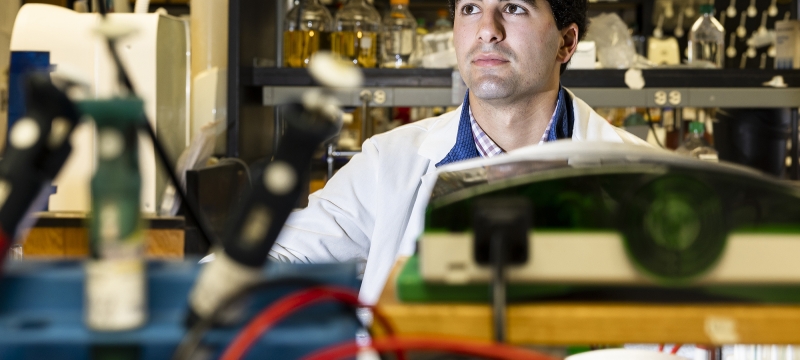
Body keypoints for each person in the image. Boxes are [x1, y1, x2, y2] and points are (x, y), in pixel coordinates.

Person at [270, 0, 649, 304]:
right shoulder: (388, 162)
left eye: (514, 8)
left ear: (566, 43)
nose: (487, 30)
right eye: (470, 9)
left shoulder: (643, 177)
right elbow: (282, 257)